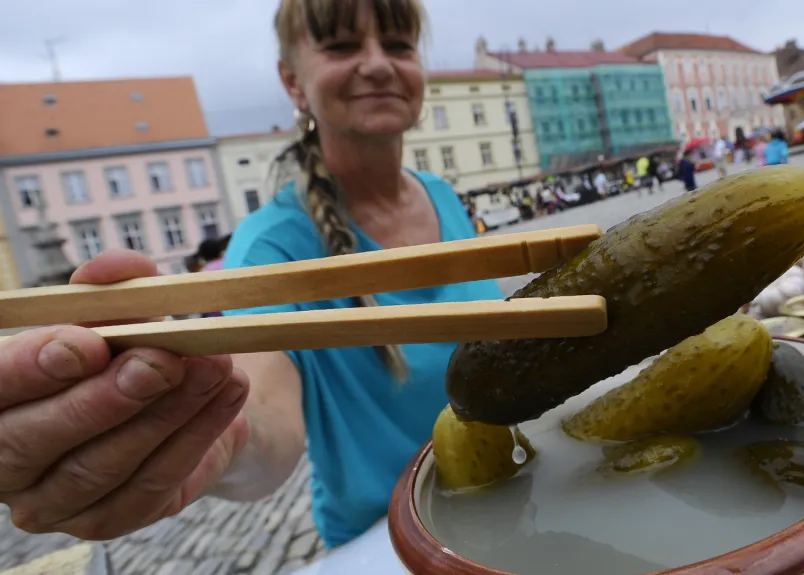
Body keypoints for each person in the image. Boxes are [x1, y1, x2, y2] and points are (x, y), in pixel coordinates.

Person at [0, 0, 504, 551]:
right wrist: (215, 440)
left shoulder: (443, 195)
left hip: (505, 492)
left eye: (399, 44)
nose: (378, 63)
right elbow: (264, 418)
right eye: (341, 46)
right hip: (389, 545)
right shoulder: (269, 249)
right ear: (293, 82)